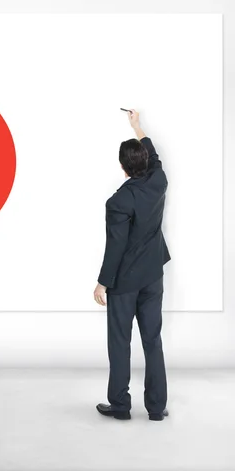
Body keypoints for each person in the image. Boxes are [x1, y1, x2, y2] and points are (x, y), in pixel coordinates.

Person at [93, 109, 171, 421]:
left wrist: (102, 282)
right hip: (153, 276)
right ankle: (155, 408)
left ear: (123, 167)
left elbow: (116, 247)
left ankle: (121, 406)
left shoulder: (119, 201)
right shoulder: (159, 181)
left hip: (124, 282)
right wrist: (137, 126)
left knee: (120, 342)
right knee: (152, 340)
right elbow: (154, 156)